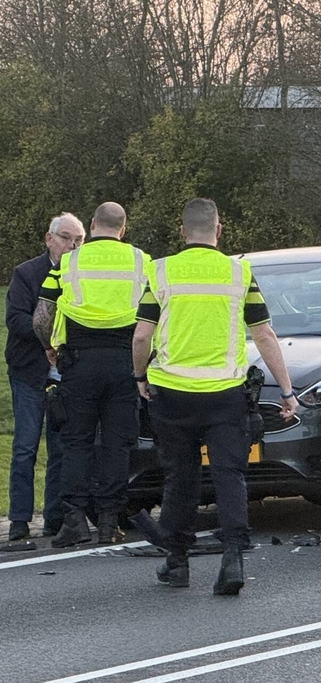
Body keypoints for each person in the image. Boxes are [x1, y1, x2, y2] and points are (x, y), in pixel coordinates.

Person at [132, 198, 297, 595]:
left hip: (171, 393)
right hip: (225, 394)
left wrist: (139, 376)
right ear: (219, 230)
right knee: (230, 475)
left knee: (181, 477)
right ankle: (233, 558)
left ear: (181, 229)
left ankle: (177, 563)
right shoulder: (238, 272)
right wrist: (288, 392)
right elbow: (264, 334)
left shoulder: (161, 271)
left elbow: (141, 334)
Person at [33, 202, 151, 547]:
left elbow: (42, 316)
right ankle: (109, 522)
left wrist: (50, 347)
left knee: (76, 442)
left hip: (79, 362)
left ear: (92, 225)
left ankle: (74, 521)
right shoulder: (142, 261)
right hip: (124, 362)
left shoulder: (69, 261)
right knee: (117, 445)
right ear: (123, 229)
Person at [5, 213, 86, 541]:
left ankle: (54, 516)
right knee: (25, 446)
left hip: (66, 373)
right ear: (49, 238)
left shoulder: (81, 276)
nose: (72, 245)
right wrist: (51, 337)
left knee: (61, 447)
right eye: (66, 238)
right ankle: (20, 519)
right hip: (29, 370)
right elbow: (16, 319)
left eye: (79, 240)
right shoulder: (27, 274)